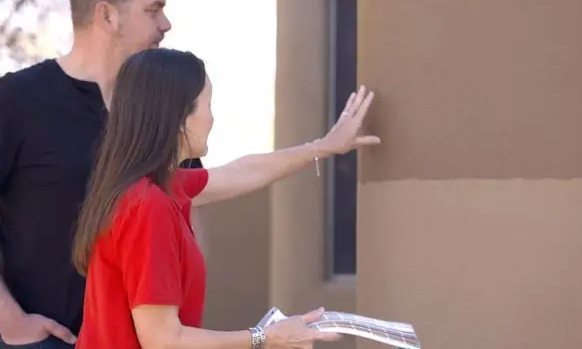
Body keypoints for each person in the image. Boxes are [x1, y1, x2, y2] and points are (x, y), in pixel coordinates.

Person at [70, 48, 380, 348]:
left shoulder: (152, 190)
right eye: (208, 104)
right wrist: (265, 338)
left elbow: (241, 172)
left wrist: (323, 146)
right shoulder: (148, 205)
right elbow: (163, 340)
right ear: (180, 117)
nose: (212, 118)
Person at [0, 0, 181, 347]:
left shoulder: (159, 115)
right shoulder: (17, 99)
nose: (166, 24)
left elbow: (195, 197)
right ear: (107, 15)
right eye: (153, 10)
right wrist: (9, 320)